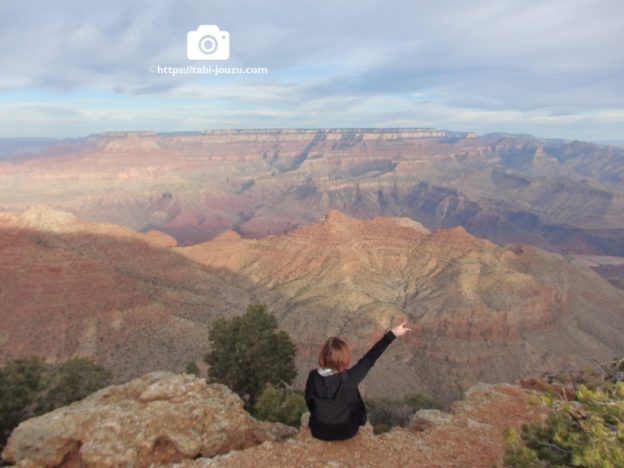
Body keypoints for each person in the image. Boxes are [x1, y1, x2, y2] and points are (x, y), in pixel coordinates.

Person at [304, 321, 412, 441]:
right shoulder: (350, 377)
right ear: (345, 357)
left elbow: (309, 402)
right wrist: (392, 334)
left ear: (323, 356)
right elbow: (370, 357)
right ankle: (360, 419)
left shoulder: (313, 376)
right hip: (346, 431)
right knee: (354, 394)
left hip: (319, 431)